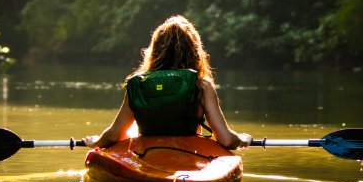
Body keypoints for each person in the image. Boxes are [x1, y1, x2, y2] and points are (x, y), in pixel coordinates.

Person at [83, 15, 251, 150]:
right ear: (194, 51)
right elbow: (226, 140)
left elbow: (114, 135)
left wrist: (97, 141)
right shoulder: (202, 87)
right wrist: (243, 139)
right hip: (190, 155)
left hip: (147, 155)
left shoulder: (139, 85)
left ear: (155, 50)